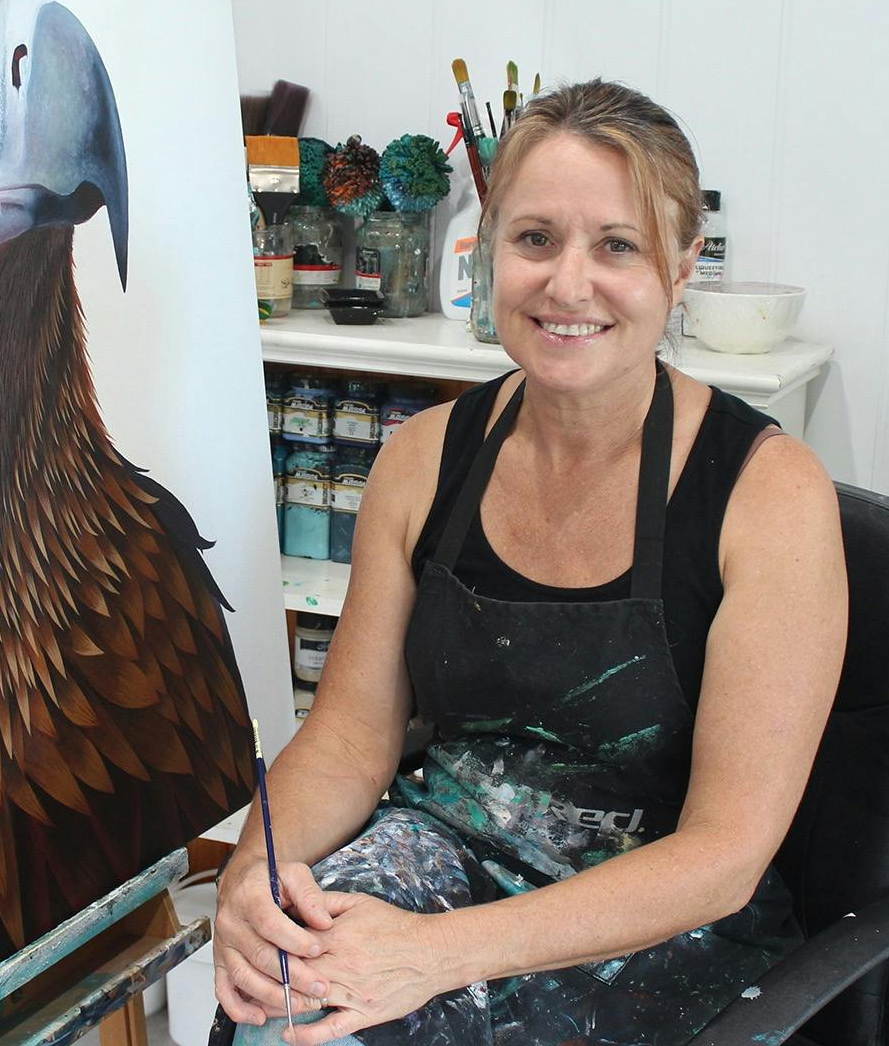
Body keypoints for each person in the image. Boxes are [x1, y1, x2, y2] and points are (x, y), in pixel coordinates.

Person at [210, 80, 848, 1046]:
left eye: (618, 246)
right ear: (491, 253)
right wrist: (252, 880)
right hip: (446, 851)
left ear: (683, 270)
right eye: (536, 239)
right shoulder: (424, 460)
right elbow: (345, 745)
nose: (567, 285)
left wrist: (439, 954)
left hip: (653, 917)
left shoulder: (769, 497)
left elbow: (722, 853)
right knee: (291, 1009)